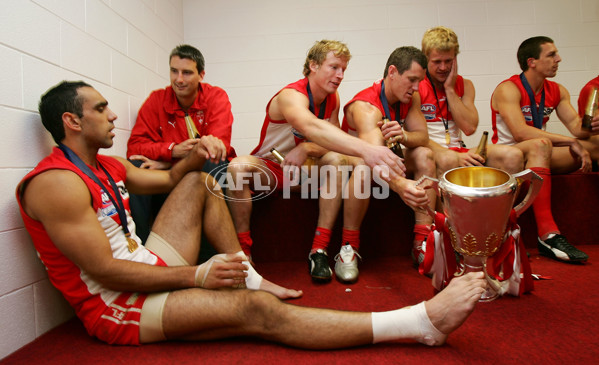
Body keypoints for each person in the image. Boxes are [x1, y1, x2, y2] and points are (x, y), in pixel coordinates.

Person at [16, 80, 487, 348]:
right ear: (72, 122)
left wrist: (197, 150)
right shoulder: (54, 183)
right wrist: (198, 276)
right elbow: (104, 271)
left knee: (199, 181)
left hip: (145, 264)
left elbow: (168, 180)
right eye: (100, 109)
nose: (112, 116)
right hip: (117, 305)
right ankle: (418, 323)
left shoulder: (107, 164)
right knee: (258, 312)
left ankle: (250, 273)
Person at [226, 40, 412, 283]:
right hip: (273, 167)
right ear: (313, 65)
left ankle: (319, 250)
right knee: (236, 168)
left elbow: (329, 142)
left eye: (343, 69)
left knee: (337, 159)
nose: (340, 75)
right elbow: (311, 126)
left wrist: (306, 148)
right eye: (334, 67)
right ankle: (243, 252)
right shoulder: (290, 95)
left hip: (306, 171)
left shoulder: (332, 98)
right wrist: (368, 149)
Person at [418, 26, 524, 265]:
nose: (443, 67)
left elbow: (469, 127)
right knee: (446, 160)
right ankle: (452, 236)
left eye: (449, 61)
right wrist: (450, 155)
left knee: (512, 156)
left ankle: (501, 232)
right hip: (434, 151)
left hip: (460, 148)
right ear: (426, 59)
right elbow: (417, 136)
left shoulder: (465, 85)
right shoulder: (417, 85)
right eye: (437, 62)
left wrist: (449, 89)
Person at [490, 36, 599, 263]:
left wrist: (591, 126)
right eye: (551, 55)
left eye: (556, 54)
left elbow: (578, 128)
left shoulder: (557, 90)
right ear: (532, 61)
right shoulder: (508, 89)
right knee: (541, 144)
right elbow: (521, 132)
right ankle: (548, 234)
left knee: (596, 144)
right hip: (509, 156)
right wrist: (570, 142)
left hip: (540, 155)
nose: (558, 59)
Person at [126, 44, 235, 242]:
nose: (179, 79)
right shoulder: (157, 99)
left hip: (201, 168)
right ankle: (141, 246)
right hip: (168, 175)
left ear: (201, 75)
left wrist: (169, 161)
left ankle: (211, 252)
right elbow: (134, 147)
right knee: (135, 166)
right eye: (174, 71)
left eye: (187, 72)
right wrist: (172, 150)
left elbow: (216, 148)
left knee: (214, 161)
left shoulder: (216, 96)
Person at [341, 46, 437, 267]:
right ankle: (349, 246)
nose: (416, 88)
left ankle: (422, 241)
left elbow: (422, 137)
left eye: (419, 82)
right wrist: (402, 185)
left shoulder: (410, 98)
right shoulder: (365, 106)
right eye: (411, 80)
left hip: (389, 163)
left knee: (425, 154)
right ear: (392, 72)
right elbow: (376, 158)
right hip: (357, 170)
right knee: (365, 166)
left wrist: (403, 135)